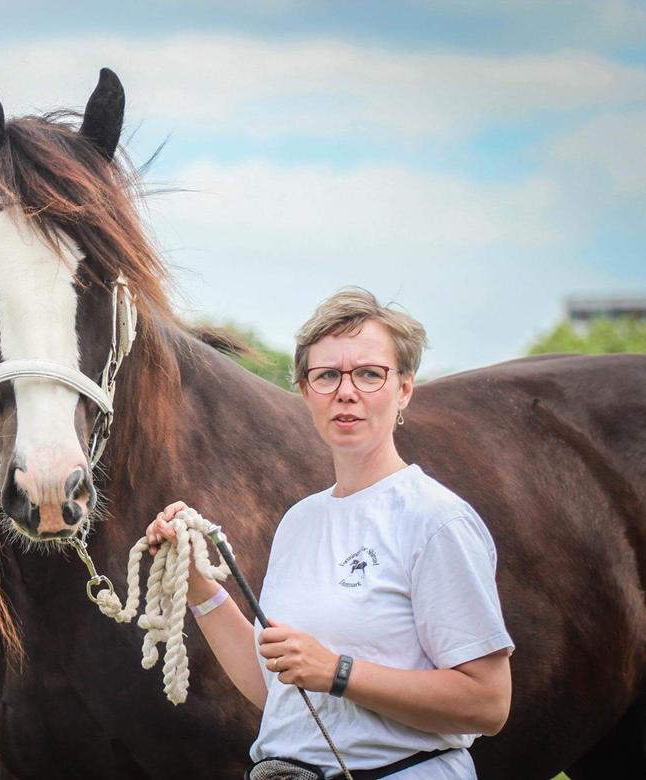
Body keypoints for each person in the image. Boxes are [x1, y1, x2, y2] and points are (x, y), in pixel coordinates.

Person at [147, 288, 513, 779]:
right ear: (305, 391)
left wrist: (339, 672)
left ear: (403, 388)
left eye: (368, 374)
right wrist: (198, 585)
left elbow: (487, 704)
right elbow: (277, 689)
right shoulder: (300, 520)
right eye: (326, 376)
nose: (346, 391)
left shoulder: (436, 520)